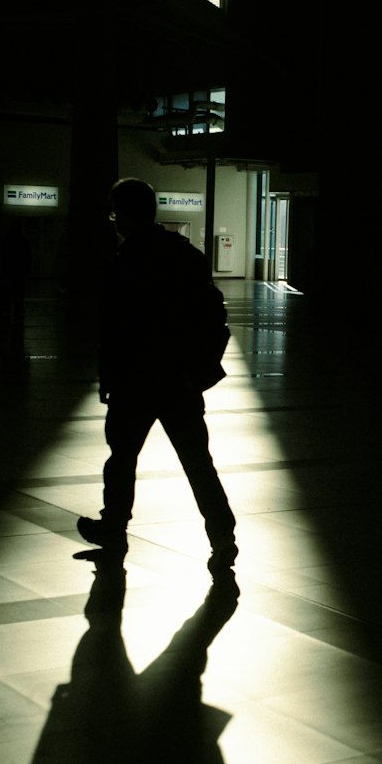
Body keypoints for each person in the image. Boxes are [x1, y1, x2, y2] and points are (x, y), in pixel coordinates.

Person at [77, 177, 237, 575]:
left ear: (129, 214)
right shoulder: (184, 256)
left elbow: (113, 327)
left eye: (116, 213)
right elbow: (214, 317)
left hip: (136, 379)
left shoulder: (125, 260)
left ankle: (114, 528)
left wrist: (108, 376)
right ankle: (223, 537)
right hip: (176, 380)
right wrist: (197, 373)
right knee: (197, 462)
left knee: (122, 459)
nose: (114, 222)